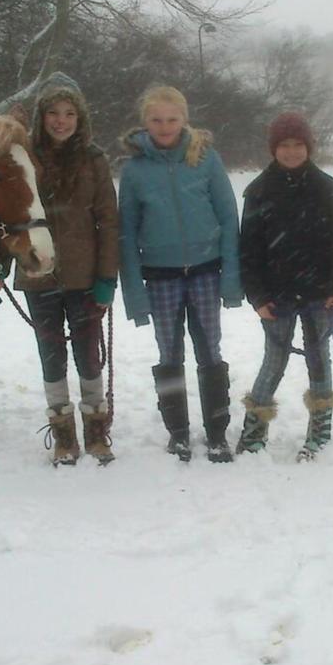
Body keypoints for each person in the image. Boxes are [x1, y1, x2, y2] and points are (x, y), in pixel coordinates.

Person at [0, 72, 119, 466]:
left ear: (80, 118)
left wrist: (106, 278)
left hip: (84, 275)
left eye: (69, 114)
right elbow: (10, 214)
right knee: (51, 353)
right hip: (37, 272)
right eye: (53, 113)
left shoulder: (94, 160)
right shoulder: (25, 156)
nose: (61, 121)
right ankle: (63, 433)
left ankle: (96, 431)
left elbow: (108, 221)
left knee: (88, 354)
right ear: (41, 117)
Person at [117, 85, 241, 462]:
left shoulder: (205, 159)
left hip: (205, 272)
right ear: (145, 122)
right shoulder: (135, 170)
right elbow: (126, 234)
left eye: (172, 119)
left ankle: (217, 432)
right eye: (156, 120)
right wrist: (135, 296)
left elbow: (228, 218)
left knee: (210, 352)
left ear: (184, 120)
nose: (165, 126)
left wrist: (231, 280)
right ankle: (178, 433)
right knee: (169, 354)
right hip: (161, 277)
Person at [237, 111, 333, 461]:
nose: (291, 151)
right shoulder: (259, 191)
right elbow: (249, 251)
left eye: (298, 144)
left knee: (319, 360)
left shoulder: (328, 188)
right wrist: (258, 297)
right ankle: (254, 429)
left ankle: (320, 428)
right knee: (274, 360)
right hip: (276, 296)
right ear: (274, 148)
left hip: (320, 293)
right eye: (284, 145)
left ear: (309, 147)